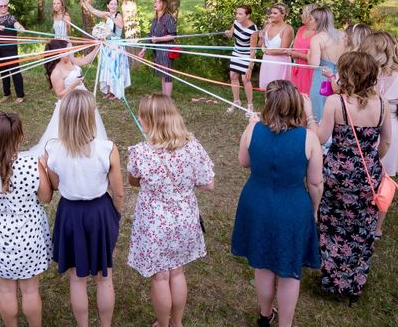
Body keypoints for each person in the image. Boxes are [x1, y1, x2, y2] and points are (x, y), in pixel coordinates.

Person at [231, 80, 323, 327]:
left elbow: (244, 161)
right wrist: (314, 209)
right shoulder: (309, 138)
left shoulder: (253, 129)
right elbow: (315, 183)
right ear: (297, 105)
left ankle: (265, 315)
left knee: (263, 263)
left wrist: (251, 126)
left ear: (268, 103)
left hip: (257, 203)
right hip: (292, 207)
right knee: (288, 270)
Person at [305, 52, 391, 303]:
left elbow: (321, 138)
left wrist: (310, 117)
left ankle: (332, 279)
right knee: (362, 226)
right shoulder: (383, 103)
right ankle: (354, 282)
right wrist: (369, 159)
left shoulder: (336, 103)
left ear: (347, 75)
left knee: (332, 223)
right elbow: (385, 141)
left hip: (337, 173)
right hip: (367, 172)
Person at [127, 94, 215, 327]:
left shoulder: (140, 152)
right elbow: (208, 183)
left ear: (151, 121)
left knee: (160, 276)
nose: (138, 118)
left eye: (142, 116)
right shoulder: (192, 147)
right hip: (185, 218)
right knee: (177, 272)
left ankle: (164, 324)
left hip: (155, 222)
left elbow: (133, 181)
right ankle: (177, 323)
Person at [40, 89, 124, 327]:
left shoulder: (52, 149)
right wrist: (115, 214)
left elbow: (55, 185)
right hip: (100, 213)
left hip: (70, 214)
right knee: (103, 276)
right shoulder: (107, 148)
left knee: (77, 278)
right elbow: (118, 191)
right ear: (90, 116)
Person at [0, 111, 52, 327]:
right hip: (29, 236)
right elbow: (46, 197)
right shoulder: (32, 164)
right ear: (19, 137)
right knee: (30, 290)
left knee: (5, 290)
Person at [23, 39, 105, 159]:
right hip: (70, 104)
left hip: (83, 99)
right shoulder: (56, 71)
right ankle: (72, 151)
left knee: (87, 123)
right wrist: (73, 85)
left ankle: (89, 148)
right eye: (67, 50)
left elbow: (86, 60)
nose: (70, 51)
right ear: (59, 53)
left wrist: (98, 46)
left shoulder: (71, 61)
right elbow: (60, 94)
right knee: (72, 128)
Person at [361, 32, 398, 238]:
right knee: (365, 172)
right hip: (366, 125)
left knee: (385, 178)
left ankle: (377, 226)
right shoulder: (366, 72)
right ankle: (361, 215)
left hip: (390, 126)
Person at [79, 0, 131, 100]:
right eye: (111, 4)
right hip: (107, 45)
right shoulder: (106, 15)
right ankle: (108, 90)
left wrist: (111, 17)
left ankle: (115, 92)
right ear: (108, 5)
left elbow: (120, 26)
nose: (113, 6)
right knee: (107, 67)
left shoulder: (118, 15)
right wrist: (84, 1)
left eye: (115, 4)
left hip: (116, 45)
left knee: (114, 68)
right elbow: (93, 10)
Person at [307, 7, 346, 122]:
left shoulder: (317, 38)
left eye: (311, 19)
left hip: (322, 77)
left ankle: (321, 137)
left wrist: (309, 53)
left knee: (319, 109)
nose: (309, 22)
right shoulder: (343, 35)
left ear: (318, 21)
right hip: (341, 75)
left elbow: (314, 64)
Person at [139, 0, 177, 97]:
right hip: (158, 51)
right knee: (162, 74)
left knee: (167, 74)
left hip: (166, 50)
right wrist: (144, 49)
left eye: (158, 2)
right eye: (155, 1)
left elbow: (173, 35)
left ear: (163, 5)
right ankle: (164, 97)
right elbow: (150, 36)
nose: (155, 3)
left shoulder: (168, 18)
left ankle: (167, 99)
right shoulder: (155, 19)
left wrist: (158, 39)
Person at [224, 5, 258, 117]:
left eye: (240, 14)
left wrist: (250, 67)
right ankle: (236, 101)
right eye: (236, 13)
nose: (237, 16)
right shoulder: (236, 22)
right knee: (233, 76)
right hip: (236, 52)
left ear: (248, 15)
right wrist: (228, 33)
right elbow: (231, 34)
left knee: (245, 79)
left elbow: (253, 49)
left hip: (247, 55)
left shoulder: (253, 30)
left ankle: (250, 105)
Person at [0, 0, 26, 103]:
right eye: (0, 6)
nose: (3, 7)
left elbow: (17, 25)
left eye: (5, 5)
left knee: (15, 71)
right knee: (3, 71)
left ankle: (20, 95)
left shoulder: (11, 18)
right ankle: (7, 93)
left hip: (10, 49)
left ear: (7, 6)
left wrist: (20, 28)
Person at [259, 2, 293, 90]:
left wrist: (267, 51)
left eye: (275, 13)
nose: (271, 15)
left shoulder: (287, 29)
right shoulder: (267, 27)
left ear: (283, 15)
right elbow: (260, 45)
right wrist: (261, 36)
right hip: (267, 60)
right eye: (271, 13)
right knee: (266, 87)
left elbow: (283, 50)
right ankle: (267, 103)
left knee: (277, 88)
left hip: (279, 62)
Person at [287, 4, 317, 95]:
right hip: (297, 67)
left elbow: (316, 57)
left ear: (310, 16)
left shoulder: (318, 33)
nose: (301, 16)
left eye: (303, 13)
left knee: (307, 95)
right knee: (296, 94)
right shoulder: (301, 29)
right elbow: (295, 47)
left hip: (310, 70)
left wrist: (297, 55)